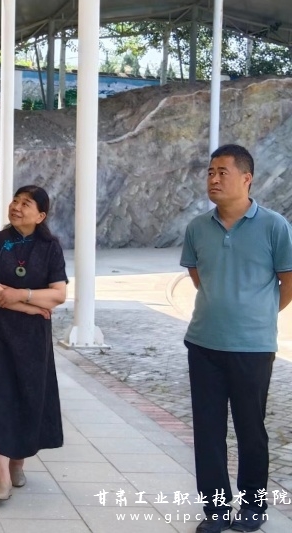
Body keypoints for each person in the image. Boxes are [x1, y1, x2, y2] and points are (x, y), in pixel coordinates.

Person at [181, 144, 292, 533]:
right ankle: (215, 510)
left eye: (222, 172)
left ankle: (253, 506)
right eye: (210, 172)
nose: (213, 179)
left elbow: (288, 282)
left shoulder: (275, 226)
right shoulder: (197, 228)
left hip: (253, 347)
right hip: (203, 343)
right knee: (208, 432)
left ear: (246, 179)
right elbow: (199, 276)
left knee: (251, 430)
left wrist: (257, 314)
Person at [0, 185, 68, 501]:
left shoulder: (50, 247)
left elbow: (58, 294)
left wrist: (20, 294)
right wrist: (30, 306)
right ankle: (1, 476)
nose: (16, 206)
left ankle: (18, 462)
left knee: (29, 396)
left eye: (26, 203)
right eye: (15, 200)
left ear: (40, 215)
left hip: (33, 338)